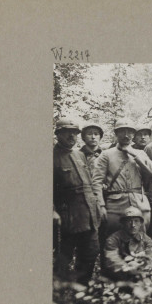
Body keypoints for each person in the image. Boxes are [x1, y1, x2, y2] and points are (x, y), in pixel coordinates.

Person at [53, 118, 101, 283]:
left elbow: (89, 183)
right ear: (58, 134)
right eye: (67, 132)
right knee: (63, 256)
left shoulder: (80, 154)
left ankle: (81, 289)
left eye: (74, 133)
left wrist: (97, 206)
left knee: (91, 252)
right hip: (68, 217)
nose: (72, 136)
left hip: (89, 215)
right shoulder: (52, 157)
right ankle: (58, 294)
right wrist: (52, 211)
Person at [92, 120, 152, 237]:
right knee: (114, 239)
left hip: (139, 203)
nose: (126, 135)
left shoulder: (140, 153)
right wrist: (100, 205)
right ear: (116, 134)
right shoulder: (106, 154)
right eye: (122, 132)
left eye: (130, 132)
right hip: (115, 205)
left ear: (134, 135)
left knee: (140, 239)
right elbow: (96, 182)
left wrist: (135, 155)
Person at [101, 206, 152, 282]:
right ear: (123, 223)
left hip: (141, 275)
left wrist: (140, 266)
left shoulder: (146, 239)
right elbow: (112, 259)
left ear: (141, 223)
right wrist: (128, 268)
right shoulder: (113, 239)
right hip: (119, 278)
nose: (133, 225)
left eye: (136, 221)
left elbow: (150, 257)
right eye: (129, 221)